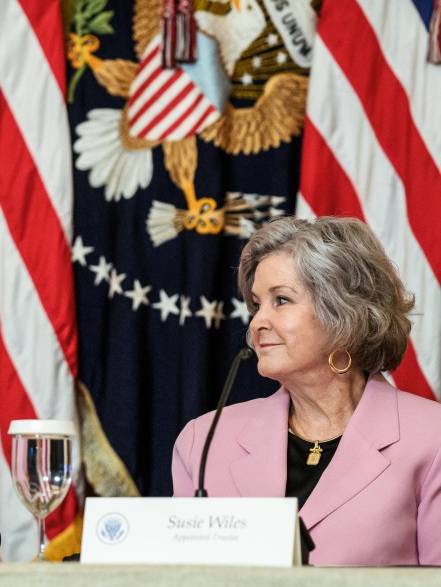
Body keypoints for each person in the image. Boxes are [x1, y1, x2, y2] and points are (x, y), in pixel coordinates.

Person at [172, 216, 441, 565]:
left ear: (343, 314)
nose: (257, 322)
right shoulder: (203, 441)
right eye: (256, 304)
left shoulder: (431, 438)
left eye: (281, 300)